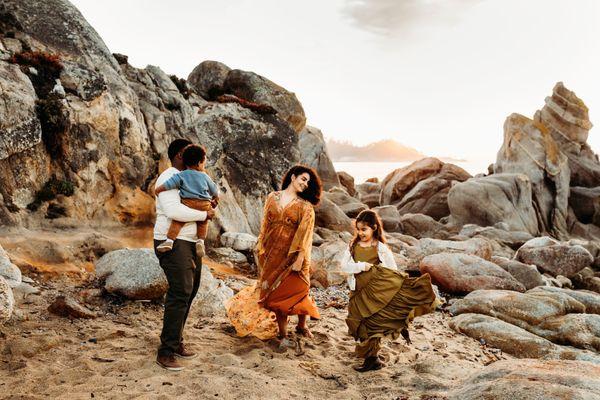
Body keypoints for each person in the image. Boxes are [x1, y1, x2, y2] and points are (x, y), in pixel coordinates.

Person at [227, 165, 322, 341]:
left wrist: (300, 258)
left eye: (308, 182)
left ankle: (302, 325)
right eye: (303, 179)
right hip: (273, 252)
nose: (305, 184)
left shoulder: (305, 207)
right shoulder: (272, 197)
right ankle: (283, 333)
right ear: (293, 177)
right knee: (277, 294)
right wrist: (260, 246)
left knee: (300, 289)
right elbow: (265, 224)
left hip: (294, 255)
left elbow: (306, 235)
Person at [341, 210, 440, 372]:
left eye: (364, 229)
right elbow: (344, 267)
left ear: (374, 228)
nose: (360, 233)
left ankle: (372, 359)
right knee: (358, 322)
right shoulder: (352, 246)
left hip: (376, 293)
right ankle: (370, 356)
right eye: (358, 229)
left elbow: (393, 271)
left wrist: (380, 274)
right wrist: (361, 266)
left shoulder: (381, 248)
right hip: (357, 292)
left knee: (373, 324)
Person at [153, 138, 215, 371]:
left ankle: (176, 340)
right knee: (180, 292)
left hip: (190, 242)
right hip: (171, 241)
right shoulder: (168, 176)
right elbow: (173, 210)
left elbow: (207, 199)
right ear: (180, 155)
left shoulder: (194, 178)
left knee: (191, 290)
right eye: (189, 152)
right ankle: (165, 351)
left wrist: (210, 206)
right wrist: (204, 215)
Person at [155, 144, 219, 257]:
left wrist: (158, 189)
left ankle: (169, 241)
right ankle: (201, 241)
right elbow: (214, 189)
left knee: (177, 223)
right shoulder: (204, 176)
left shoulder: (181, 175)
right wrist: (214, 199)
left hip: (188, 203)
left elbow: (169, 184)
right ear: (199, 163)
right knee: (203, 224)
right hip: (204, 204)